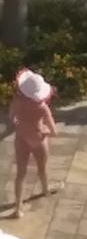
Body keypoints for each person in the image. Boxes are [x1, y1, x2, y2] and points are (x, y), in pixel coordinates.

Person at [9, 69, 58, 219]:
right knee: (42, 168)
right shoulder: (42, 107)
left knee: (21, 174)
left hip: (21, 139)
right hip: (38, 139)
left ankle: (18, 208)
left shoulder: (17, 103)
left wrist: (19, 124)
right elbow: (54, 131)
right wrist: (44, 131)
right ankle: (45, 189)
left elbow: (12, 117)